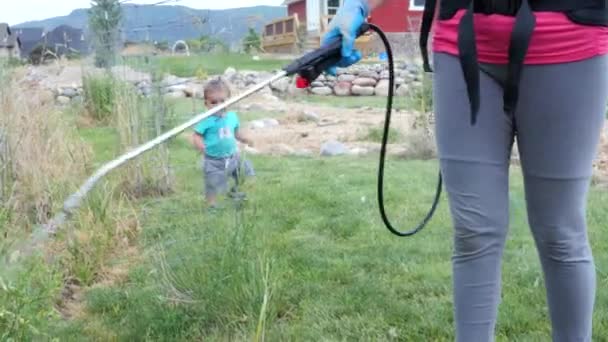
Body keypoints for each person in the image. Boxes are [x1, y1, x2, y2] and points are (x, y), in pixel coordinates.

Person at [323, 0, 607, 341]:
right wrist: (358, 5)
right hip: (463, 43)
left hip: (568, 45)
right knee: (474, 231)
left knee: (561, 232)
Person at [191, 79, 254, 209]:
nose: (219, 105)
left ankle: (236, 191)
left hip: (233, 156)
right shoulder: (206, 120)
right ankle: (212, 205)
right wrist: (201, 145)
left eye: (222, 101)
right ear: (206, 103)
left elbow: (236, 133)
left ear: (229, 100)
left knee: (245, 171)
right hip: (213, 160)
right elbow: (196, 135)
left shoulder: (232, 117)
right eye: (214, 102)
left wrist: (245, 139)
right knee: (213, 185)